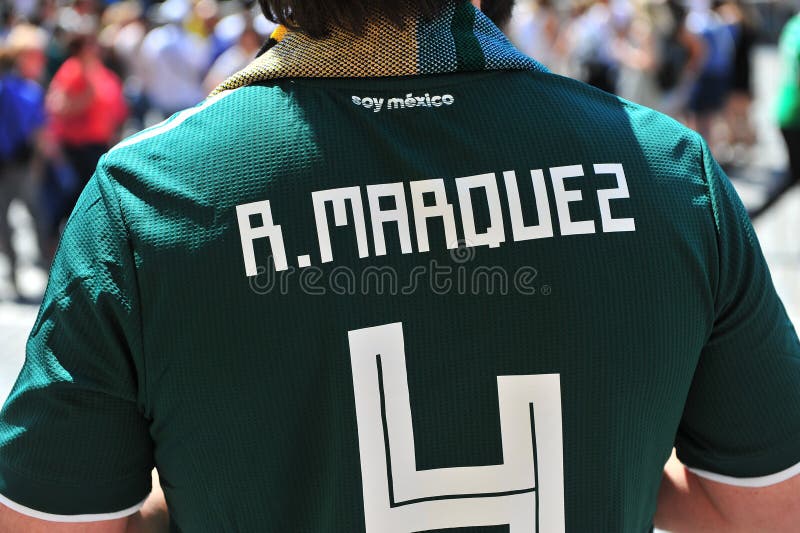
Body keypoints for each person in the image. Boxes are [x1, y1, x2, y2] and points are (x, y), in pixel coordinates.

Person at [1, 1, 800, 532]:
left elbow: (49, 520)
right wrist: (616, 455)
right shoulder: (668, 174)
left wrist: (200, 492)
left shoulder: (150, 198)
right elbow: (761, 507)